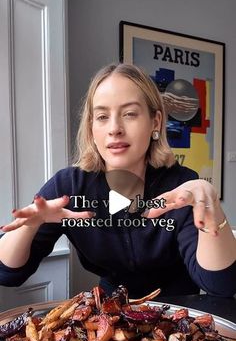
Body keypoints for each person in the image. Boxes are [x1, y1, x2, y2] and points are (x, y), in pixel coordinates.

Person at [0, 63, 235, 298]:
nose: (114, 129)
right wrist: (30, 225)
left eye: (130, 114)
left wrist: (211, 205)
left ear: (155, 121)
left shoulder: (183, 186)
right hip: (109, 318)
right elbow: (8, 274)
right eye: (102, 116)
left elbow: (220, 285)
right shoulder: (69, 186)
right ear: (92, 127)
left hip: (179, 318)